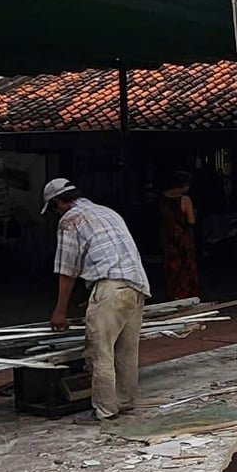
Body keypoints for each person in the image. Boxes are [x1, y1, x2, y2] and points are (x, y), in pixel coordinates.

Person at [43, 178, 151, 424]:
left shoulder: (70, 220)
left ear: (59, 202)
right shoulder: (106, 212)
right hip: (135, 285)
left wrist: (60, 311)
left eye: (54, 208)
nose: (56, 212)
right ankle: (124, 400)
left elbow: (67, 269)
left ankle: (104, 409)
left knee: (99, 351)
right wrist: (96, 292)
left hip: (111, 287)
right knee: (126, 349)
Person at [160, 171, 199, 300]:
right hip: (183, 238)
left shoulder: (163, 198)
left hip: (168, 237)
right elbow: (191, 220)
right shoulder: (185, 199)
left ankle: (173, 295)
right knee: (185, 268)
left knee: (171, 268)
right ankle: (186, 295)